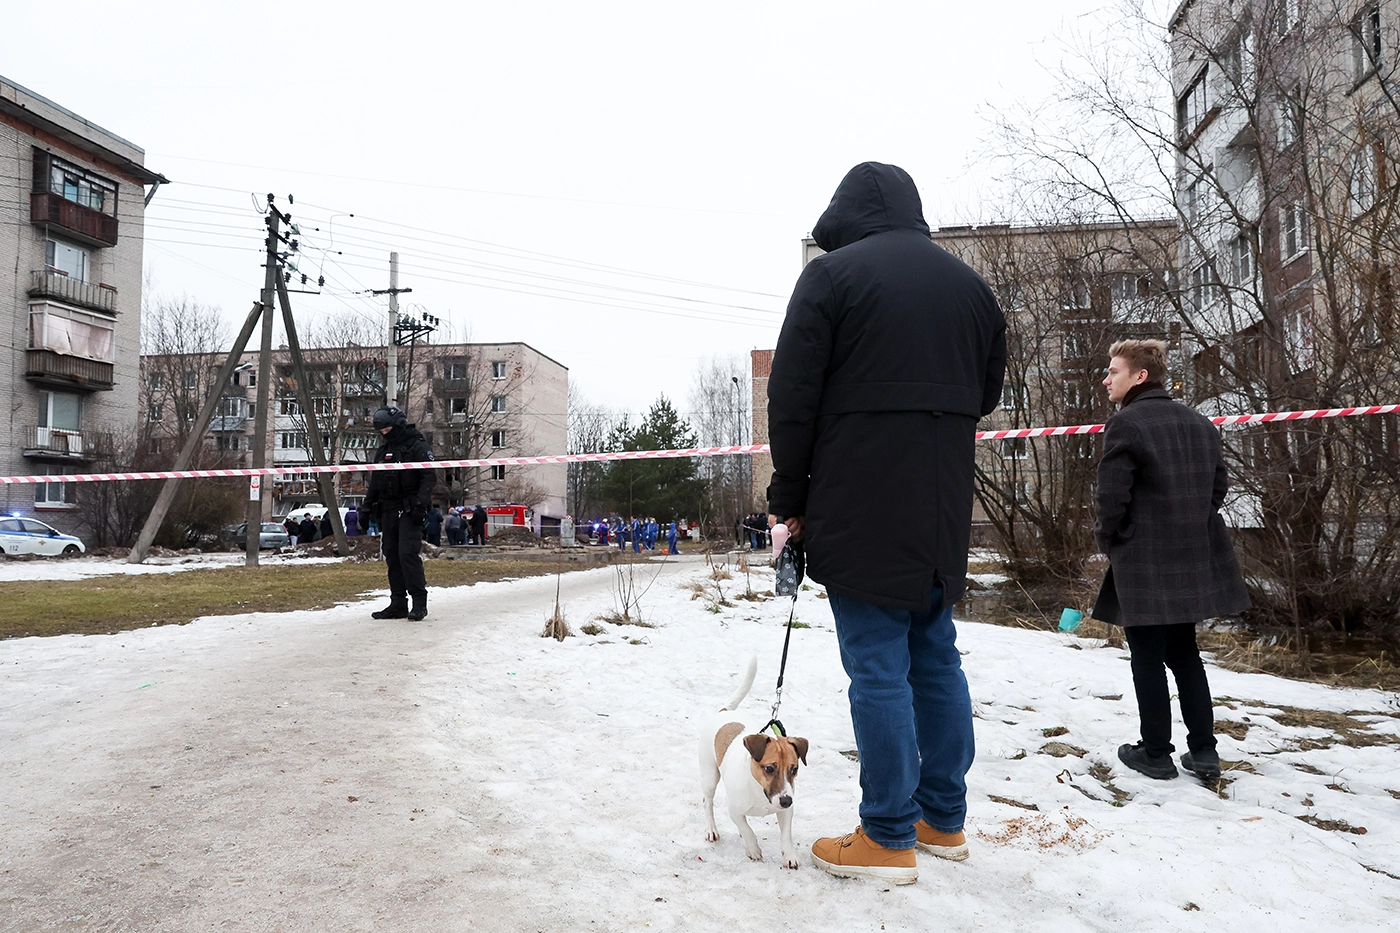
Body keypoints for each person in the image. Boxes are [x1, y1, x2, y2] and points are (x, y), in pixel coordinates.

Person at [766, 162, 1006, 882]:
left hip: (860, 498)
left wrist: (790, 494)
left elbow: (792, 398)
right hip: (940, 505)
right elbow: (988, 392)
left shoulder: (832, 277)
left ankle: (888, 835)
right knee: (935, 656)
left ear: (846, 214)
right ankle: (943, 820)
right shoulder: (971, 287)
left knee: (877, 666)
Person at [1092, 339, 1250, 781]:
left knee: (1146, 655)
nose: (1107, 379)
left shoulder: (1126, 424)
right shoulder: (1200, 422)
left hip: (1144, 558)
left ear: (1140, 377)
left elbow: (1111, 497)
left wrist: (1112, 539)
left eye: (1114, 371)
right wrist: (1190, 522)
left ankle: (1157, 754)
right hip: (1191, 555)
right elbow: (1217, 489)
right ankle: (1204, 753)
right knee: (1185, 654)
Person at [362, 406, 437, 621]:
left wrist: (420, 506)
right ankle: (398, 604)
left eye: (387, 430)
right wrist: (366, 507)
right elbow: (375, 482)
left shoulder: (418, 446)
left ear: (399, 426)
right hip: (387, 510)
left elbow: (428, 478)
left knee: (407, 554)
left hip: (410, 509)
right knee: (392, 556)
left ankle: (419, 603)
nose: (385, 435)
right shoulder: (384, 451)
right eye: (382, 432)